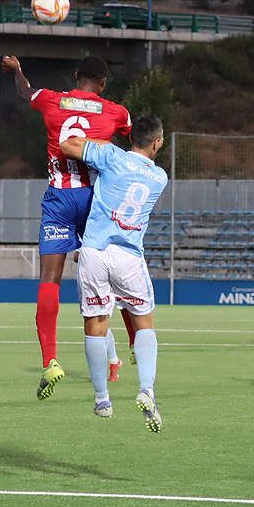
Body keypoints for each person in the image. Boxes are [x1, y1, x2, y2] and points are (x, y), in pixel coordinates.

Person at [1, 54, 134, 398]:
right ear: (103, 83)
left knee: (50, 282)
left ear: (76, 76)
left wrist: (17, 70)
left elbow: (24, 91)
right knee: (113, 275)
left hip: (60, 200)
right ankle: (136, 341)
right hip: (95, 201)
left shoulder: (51, 99)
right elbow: (132, 137)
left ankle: (51, 361)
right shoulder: (115, 111)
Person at [59, 116, 168, 433]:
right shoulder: (160, 178)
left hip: (94, 252)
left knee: (95, 324)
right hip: (128, 256)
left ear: (130, 137)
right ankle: (146, 388)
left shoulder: (111, 156)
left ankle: (102, 398)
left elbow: (68, 146)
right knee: (144, 321)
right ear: (157, 142)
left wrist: (99, 141)